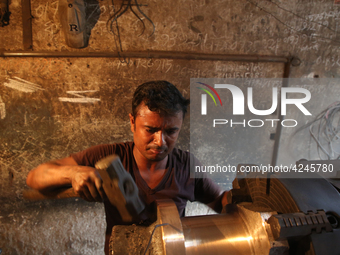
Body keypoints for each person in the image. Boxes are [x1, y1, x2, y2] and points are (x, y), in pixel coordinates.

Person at [26, 80, 228, 254]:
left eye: (171, 131)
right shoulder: (108, 156)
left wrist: (247, 197)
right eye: (151, 130)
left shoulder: (187, 165)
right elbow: (35, 177)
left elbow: (220, 202)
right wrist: (73, 173)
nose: (160, 141)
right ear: (133, 122)